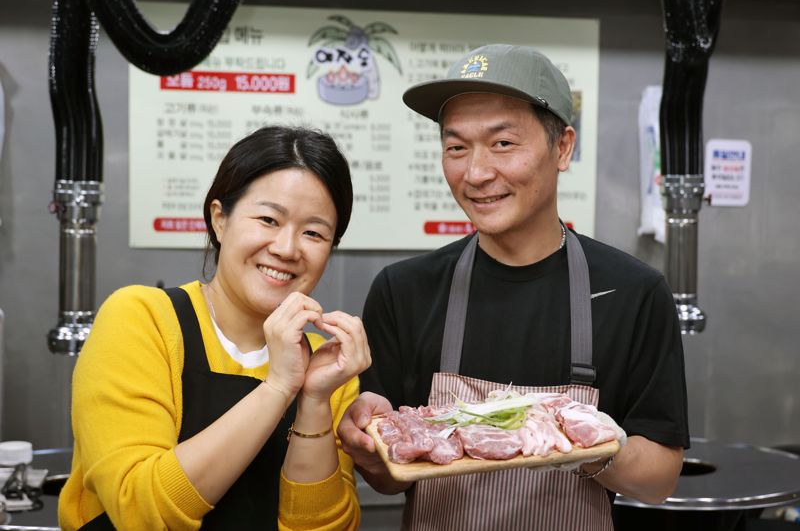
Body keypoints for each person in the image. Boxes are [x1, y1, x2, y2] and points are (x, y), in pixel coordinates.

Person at [337, 44, 689, 530]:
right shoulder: (404, 290)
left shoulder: (633, 292)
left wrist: (580, 445)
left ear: (562, 147)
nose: (476, 173)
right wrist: (372, 450)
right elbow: (390, 480)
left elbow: (659, 480)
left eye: (503, 143)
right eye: (456, 147)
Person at [58, 126, 371, 530]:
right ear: (219, 219)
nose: (288, 248)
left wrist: (312, 399)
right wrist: (277, 387)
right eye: (268, 219)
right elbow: (138, 510)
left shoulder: (326, 370)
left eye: (314, 232)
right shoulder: (142, 318)